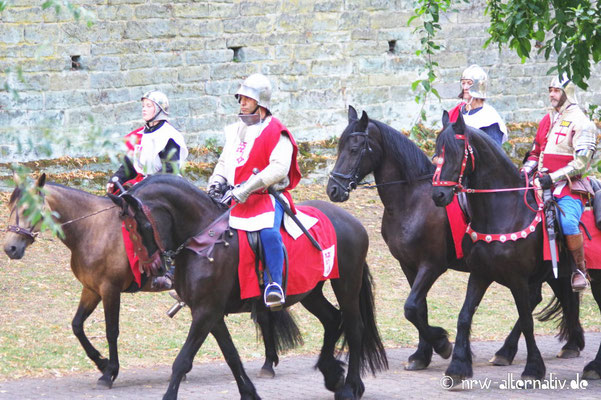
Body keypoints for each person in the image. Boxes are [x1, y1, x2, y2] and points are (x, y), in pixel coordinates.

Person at [207, 73, 302, 310]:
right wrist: (216, 181)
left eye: (247, 99)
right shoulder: (235, 131)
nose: (242, 103)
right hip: (234, 198)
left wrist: (247, 188)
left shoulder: (277, 131)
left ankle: (274, 286)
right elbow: (224, 162)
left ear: (261, 103)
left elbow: (279, 168)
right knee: (208, 228)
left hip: (266, 198)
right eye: (241, 98)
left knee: (269, 233)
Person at [107, 90, 188, 290]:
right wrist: (115, 178)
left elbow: (169, 170)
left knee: (152, 218)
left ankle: (167, 265)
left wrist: (145, 185)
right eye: (143, 106)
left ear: (160, 110)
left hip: (165, 186)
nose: (144, 109)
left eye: (149, 106)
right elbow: (129, 165)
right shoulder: (141, 135)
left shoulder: (169, 136)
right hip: (143, 185)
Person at [525, 73, 598, 291]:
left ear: (568, 92)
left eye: (556, 91)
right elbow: (535, 152)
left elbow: (581, 163)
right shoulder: (547, 120)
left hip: (569, 187)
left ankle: (579, 270)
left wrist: (553, 177)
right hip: (540, 184)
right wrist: (525, 171)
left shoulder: (582, 122)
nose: (551, 95)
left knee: (567, 223)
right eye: (550, 90)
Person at [448, 64, 508, 145]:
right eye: (463, 83)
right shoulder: (456, 112)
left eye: (469, 83)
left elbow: (493, 152)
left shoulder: (490, 117)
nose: (465, 87)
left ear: (479, 85)